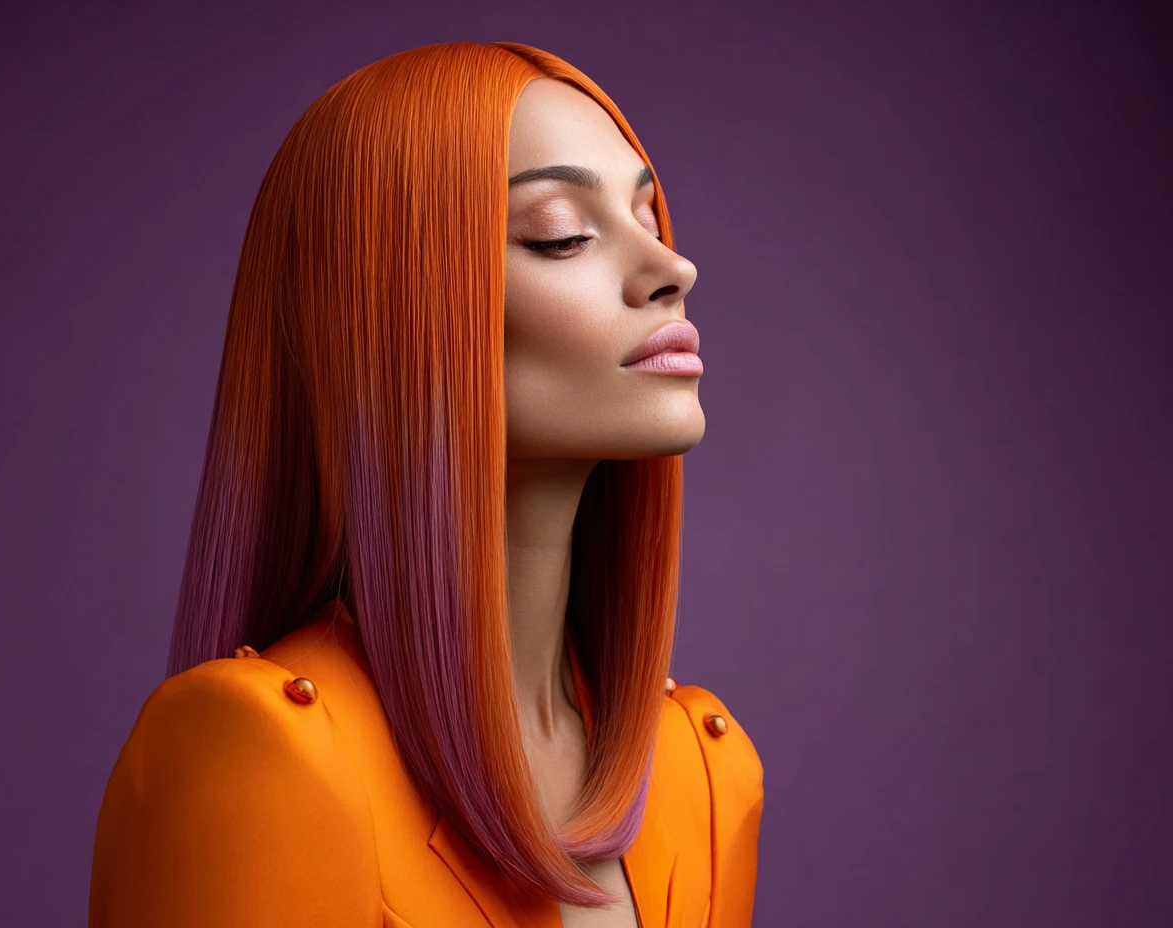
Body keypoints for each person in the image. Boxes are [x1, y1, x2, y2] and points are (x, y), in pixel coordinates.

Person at [88, 40, 763, 928]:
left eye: (651, 219)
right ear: (390, 312)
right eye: (562, 234)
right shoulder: (264, 754)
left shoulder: (704, 771)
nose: (672, 271)